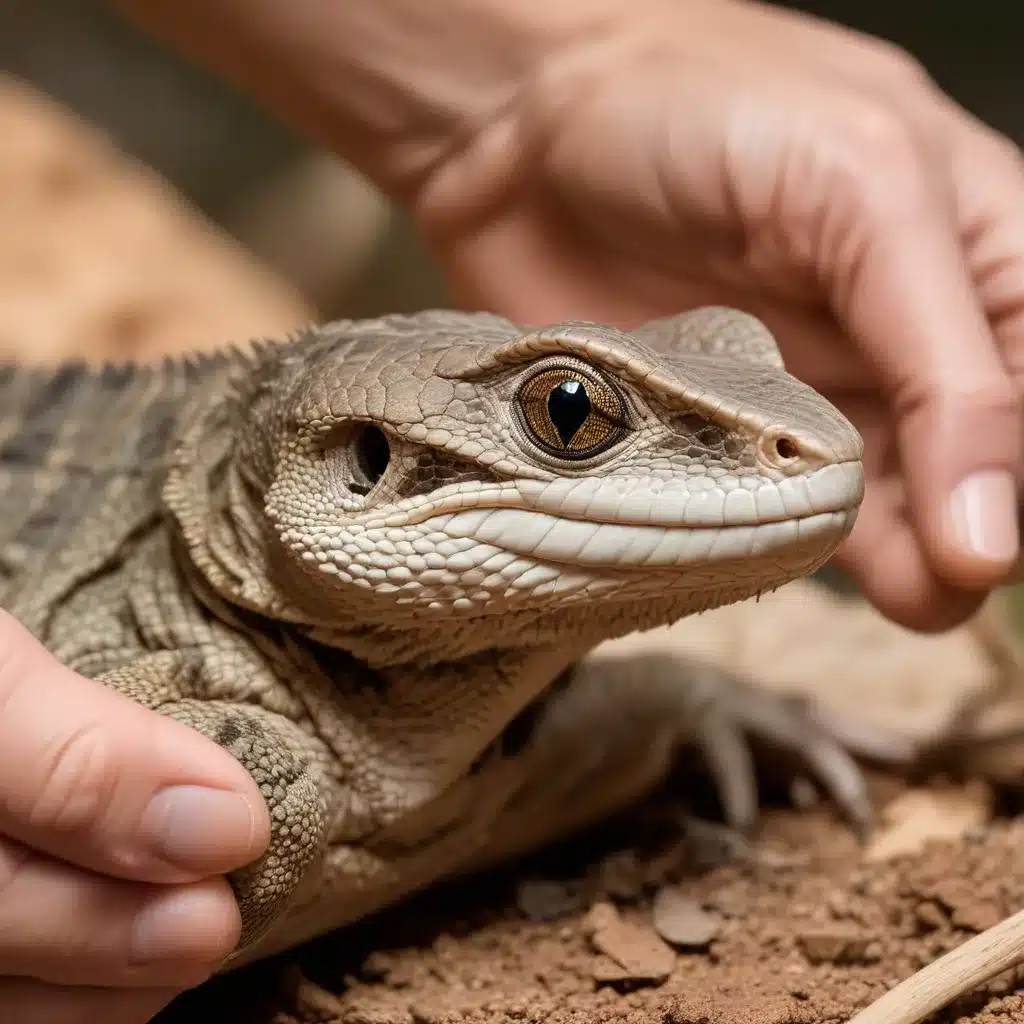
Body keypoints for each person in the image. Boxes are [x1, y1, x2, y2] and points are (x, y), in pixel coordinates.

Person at [4, 0, 1023, 1020]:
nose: (796, 445)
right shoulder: (195, 711)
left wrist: (552, 78)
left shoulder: (585, 709)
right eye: (570, 415)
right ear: (362, 464)